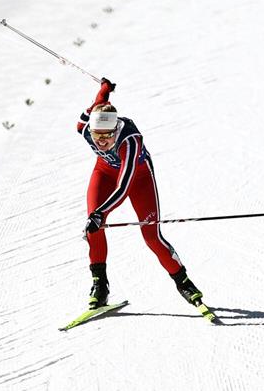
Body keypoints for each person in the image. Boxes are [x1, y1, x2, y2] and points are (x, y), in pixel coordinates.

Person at [77, 78, 206, 310]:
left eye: (107, 136)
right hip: (104, 173)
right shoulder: (86, 128)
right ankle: (100, 284)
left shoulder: (130, 140)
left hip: (138, 179)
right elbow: (97, 104)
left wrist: (101, 212)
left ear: (116, 129)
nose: (102, 142)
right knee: (92, 225)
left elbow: (124, 186)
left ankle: (183, 282)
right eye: (98, 137)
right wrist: (104, 90)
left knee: (151, 236)